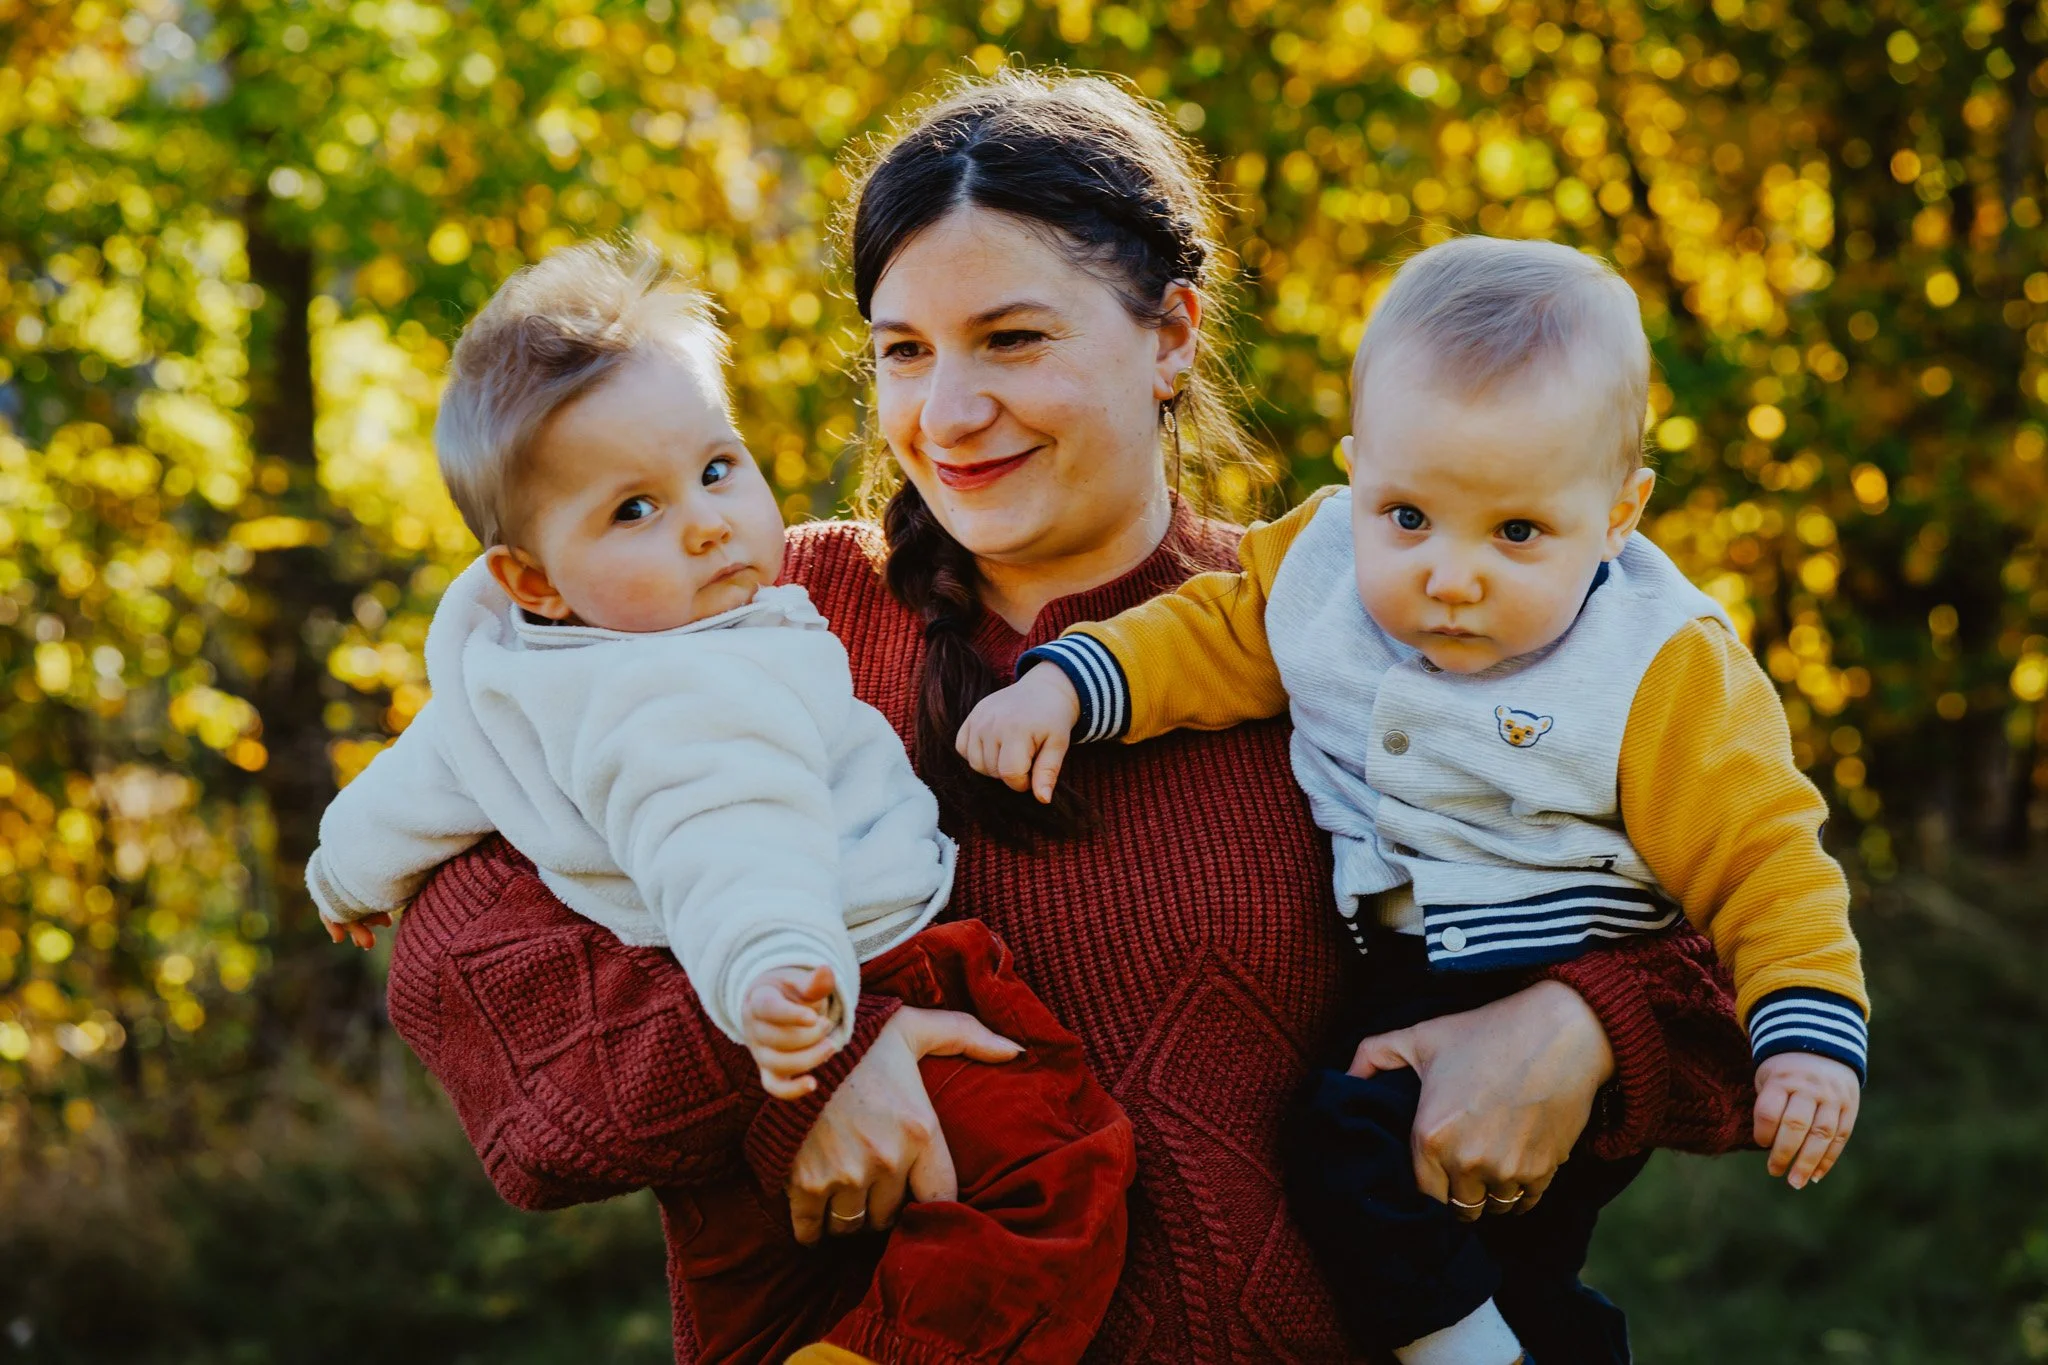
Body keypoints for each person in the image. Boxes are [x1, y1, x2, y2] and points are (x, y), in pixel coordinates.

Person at [381, 72, 1758, 1364]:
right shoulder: (745, 619)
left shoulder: (1353, 614)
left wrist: (1582, 1030)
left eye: (1013, 339)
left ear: (1171, 332)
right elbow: (459, 948)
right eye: (905, 352)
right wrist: (796, 1065)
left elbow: (1728, 919)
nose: (951, 410)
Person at [959, 235, 1868, 1365]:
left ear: (1619, 513)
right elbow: (1211, 630)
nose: (1448, 573)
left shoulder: (1656, 663)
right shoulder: (1322, 567)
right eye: (1406, 517)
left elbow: (1761, 860)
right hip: (1395, 967)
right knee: (1485, 1253)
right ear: (1356, 469)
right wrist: (1070, 683)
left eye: (1516, 533)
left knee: (1350, 1150)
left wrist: (1806, 1037)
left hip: (1547, 966)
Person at [306, 239, 1135, 1364]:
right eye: (633, 511)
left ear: (1167, 335)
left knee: (751, 1300)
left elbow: (424, 779)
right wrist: (793, 1010)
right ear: (533, 577)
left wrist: (345, 871)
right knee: (1051, 1177)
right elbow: (732, 845)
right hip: (840, 976)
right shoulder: (703, 682)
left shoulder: (513, 667)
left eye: (716, 469)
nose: (703, 524)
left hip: (772, 1025)